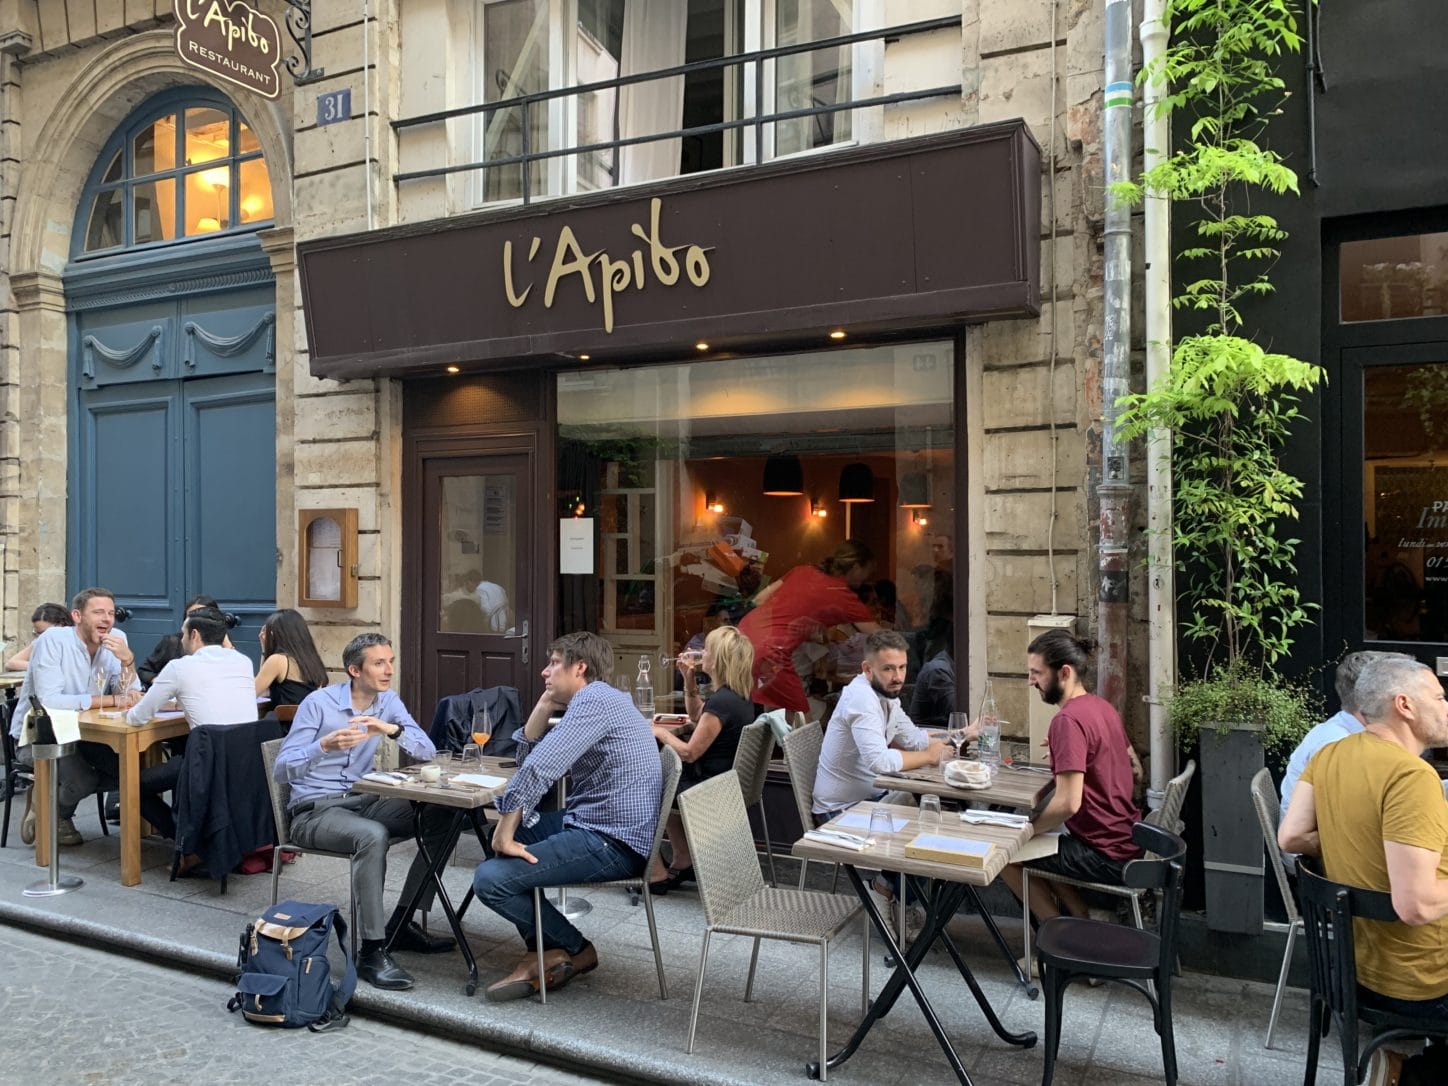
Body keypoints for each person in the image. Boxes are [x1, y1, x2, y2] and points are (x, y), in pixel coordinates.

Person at [1278, 655, 1448, 1084]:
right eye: (1440, 697)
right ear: (1404, 705)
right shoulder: (1414, 778)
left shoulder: (1331, 754)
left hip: (1350, 965)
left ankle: (1397, 1062)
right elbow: (1417, 906)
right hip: (1418, 983)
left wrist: (1359, 840)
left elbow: (1290, 837)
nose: (1446, 707)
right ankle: (1405, 1065)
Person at [472, 632, 663, 1002]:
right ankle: (544, 949)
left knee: (491, 878)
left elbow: (540, 768)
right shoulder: (602, 699)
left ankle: (574, 949)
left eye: (554, 663)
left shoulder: (594, 699)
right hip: (597, 822)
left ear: (580, 667)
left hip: (612, 840)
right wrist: (544, 705)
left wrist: (505, 831)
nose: (544, 671)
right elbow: (529, 761)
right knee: (509, 846)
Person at [273, 632, 456, 991]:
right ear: (355, 670)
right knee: (372, 836)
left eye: (391, 661)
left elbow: (428, 751)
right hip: (315, 811)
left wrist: (391, 728)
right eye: (379, 663)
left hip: (365, 800)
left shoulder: (387, 702)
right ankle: (371, 951)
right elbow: (281, 769)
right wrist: (321, 746)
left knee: (445, 816)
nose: (389, 670)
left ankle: (401, 924)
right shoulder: (318, 703)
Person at [1000, 629, 1141, 924]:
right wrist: (1072, 753)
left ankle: (1058, 944)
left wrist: (1027, 830)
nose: (1031, 681)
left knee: (1005, 854)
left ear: (1063, 672)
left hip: (1103, 852)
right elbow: (1135, 768)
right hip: (1127, 838)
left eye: (1036, 673)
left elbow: (1067, 804)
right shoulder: (1101, 707)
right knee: (1043, 841)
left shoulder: (1067, 720)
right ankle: (1078, 918)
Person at [13, 587, 140, 847]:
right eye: (98, 612)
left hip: (85, 733)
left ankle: (51, 803)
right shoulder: (53, 641)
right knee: (83, 780)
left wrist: (128, 662)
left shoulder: (116, 638)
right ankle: (55, 814)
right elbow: (49, 701)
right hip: (38, 735)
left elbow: (130, 693)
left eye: (111, 613)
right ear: (77, 616)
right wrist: (112, 700)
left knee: (127, 772)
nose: (106, 619)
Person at [125, 607, 259, 842]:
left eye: (183, 634)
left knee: (129, 785)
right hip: (243, 761)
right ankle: (190, 839)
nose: (181, 639)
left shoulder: (180, 667)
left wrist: (135, 704)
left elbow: (138, 716)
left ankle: (185, 841)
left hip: (204, 764)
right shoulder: (243, 662)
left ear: (194, 635)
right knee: (177, 762)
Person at [649, 625, 756, 890]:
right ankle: (683, 859)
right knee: (662, 780)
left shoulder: (723, 701)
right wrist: (688, 680)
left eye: (706, 650)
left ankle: (656, 873)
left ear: (717, 660)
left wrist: (659, 732)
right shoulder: (735, 696)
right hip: (722, 781)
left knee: (645, 788)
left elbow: (689, 753)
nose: (700, 653)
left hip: (707, 786)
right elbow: (699, 716)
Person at [813, 630, 949, 817]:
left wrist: (963, 734)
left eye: (902, 667)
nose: (898, 677)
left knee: (938, 815)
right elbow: (880, 761)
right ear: (868, 669)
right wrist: (929, 756)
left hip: (875, 799)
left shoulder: (886, 694)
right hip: (841, 812)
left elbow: (915, 739)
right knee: (933, 820)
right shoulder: (861, 699)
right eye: (888, 668)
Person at [739, 540, 881, 714]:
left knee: (775, 712)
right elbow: (881, 637)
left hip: (742, 638)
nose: (869, 578)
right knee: (801, 718)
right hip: (771, 652)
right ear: (857, 567)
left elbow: (758, 600)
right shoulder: (840, 594)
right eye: (869, 571)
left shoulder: (802, 570)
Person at [1279, 650, 1411, 821]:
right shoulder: (1338, 745)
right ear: (1372, 698)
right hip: (1321, 846)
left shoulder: (1347, 732)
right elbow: (1349, 822)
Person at [138, 595, 232, 687]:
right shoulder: (172, 643)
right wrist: (158, 682)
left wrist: (226, 643)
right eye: (191, 617)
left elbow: (233, 677)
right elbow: (144, 670)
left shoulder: (222, 647)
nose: (196, 622)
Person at [253, 608, 328, 706]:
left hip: (285, 720)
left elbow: (252, 693)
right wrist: (264, 649)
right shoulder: (312, 660)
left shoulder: (277, 660)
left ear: (275, 634)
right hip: (307, 719)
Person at [4, 603, 73, 671]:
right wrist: (41, 666)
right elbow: (11, 663)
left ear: (61, 626)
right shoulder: (40, 643)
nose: (42, 637)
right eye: (38, 634)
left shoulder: (76, 642)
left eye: (45, 633)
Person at [908, 649, 955, 729]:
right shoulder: (938, 670)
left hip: (941, 731)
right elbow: (956, 712)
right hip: (924, 734)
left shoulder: (950, 663)